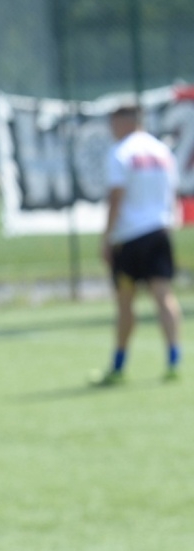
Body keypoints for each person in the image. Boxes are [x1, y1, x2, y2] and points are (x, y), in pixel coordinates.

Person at [96, 103, 182, 384]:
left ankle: (118, 366)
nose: (111, 129)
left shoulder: (121, 152)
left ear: (126, 121)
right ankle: (174, 360)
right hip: (159, 231)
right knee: (164, 296)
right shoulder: (161, 151)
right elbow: (172, 192)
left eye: (113, 122)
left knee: (125, 302)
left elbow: (116, 197)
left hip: (129, 237)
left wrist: (107, 237)